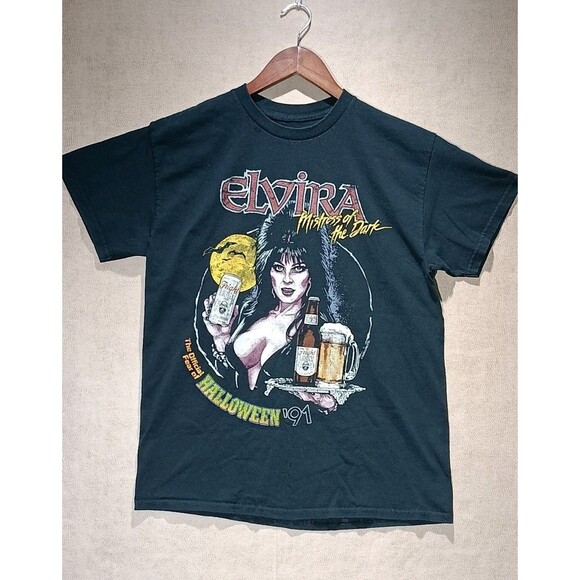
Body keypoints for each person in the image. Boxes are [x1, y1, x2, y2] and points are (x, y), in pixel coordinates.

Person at [201, 206, 343, 411]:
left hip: (289, 426)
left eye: (298, 269)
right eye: (278, 268)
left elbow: (331, 398)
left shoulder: (319, 330)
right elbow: (231, 377)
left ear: (312, 275)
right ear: (268, 271)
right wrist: (221, 338)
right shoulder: (250, 312)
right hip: (234, 421)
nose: (287, 279)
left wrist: (323, 401)